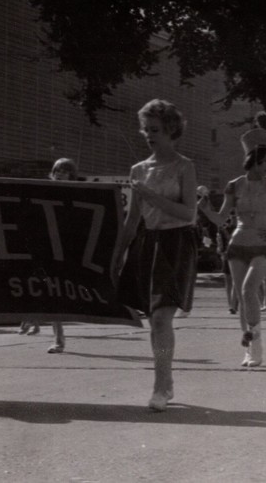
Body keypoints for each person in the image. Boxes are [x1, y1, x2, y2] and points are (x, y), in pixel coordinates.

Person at [110, 99, 199, 412]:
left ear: (171, 130)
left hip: (176, 245)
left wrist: (151, 195)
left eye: (155, 129)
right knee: (154, 321)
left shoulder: (184, 166)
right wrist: (118, 255)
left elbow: (189, 213)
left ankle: (160, 386)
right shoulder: (138, 170)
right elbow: (133, 219)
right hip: (147, 245)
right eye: (145, 129)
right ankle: (166, 380)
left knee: (162, 318)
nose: (149, 134)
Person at [198, 121, 266, 367]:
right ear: (252, 159)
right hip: (237, 243)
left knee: (248, 289)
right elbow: (221, 218)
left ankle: (257, 345)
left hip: (263, 245)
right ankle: (248, 348)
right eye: (265, 161)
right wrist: (205, 209)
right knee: (241, 294)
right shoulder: (234, 185)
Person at [44, 158, 78, 353]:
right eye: (57, 170)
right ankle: (58, 339)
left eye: (64, 171)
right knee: (52, 292)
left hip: (70, 248)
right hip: (50, 246)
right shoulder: (45, 191)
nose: (59, 174)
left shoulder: (78, 194)